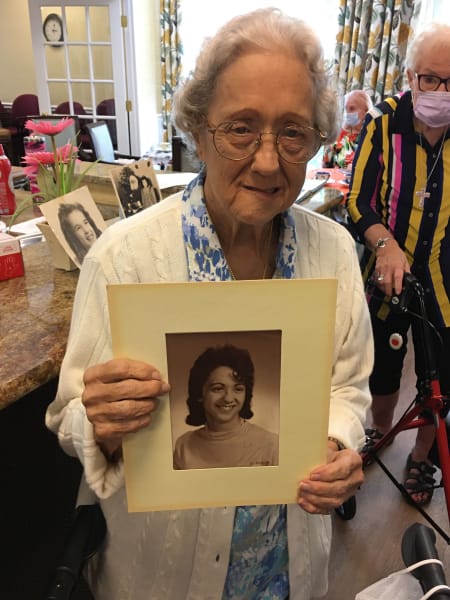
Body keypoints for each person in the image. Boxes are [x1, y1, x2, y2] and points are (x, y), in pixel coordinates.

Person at [46, 8, 373, 599]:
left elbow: (348, 388)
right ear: (198, 129)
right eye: (240, 128)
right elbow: (71, 415)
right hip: (164, 574)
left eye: (293, 132)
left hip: (290, 567)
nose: (268, 160)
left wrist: (339, 443)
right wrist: (103, 422)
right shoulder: (125, 260)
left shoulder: (336, 252)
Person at [347, 22, 450, 506]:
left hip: (442, 271)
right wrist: (384, 243)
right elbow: (357, 200)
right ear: (411, 76)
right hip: (388, 270)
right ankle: (378, 434)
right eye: (430, 78)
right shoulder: (384, 122)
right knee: (383, 367)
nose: (440, 91)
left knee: (440, 377)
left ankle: (421, 456)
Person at [173, 344, 278, 469]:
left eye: (238, 389)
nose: (228, 398)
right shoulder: (183, 446)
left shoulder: (271, 444)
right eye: (218, 388)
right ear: (199, 393)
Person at [322, 89, 373, 169]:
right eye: (346, 109)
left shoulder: (373, 136)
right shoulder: (337, 136)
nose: (348, 113)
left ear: (366, 111)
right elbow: (325, 167)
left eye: (352, 108)